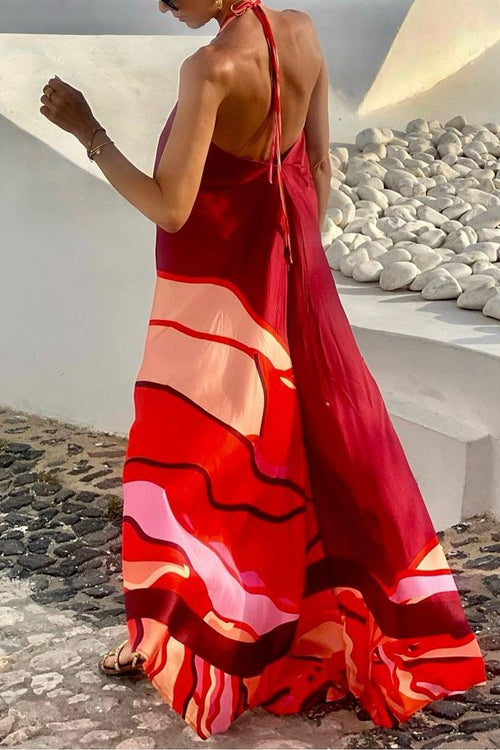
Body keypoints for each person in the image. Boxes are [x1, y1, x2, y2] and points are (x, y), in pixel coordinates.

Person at [40, 0, 487, 740]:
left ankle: (191, 648)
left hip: (216, 302)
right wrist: (293, 266)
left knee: (191, 468)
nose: (162, 4)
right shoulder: (302, 32)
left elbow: (171, 207)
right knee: (302, 454)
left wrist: (89, 132)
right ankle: (301, 633)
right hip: (289, 284)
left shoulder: (211, 68)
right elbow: (319, 166)